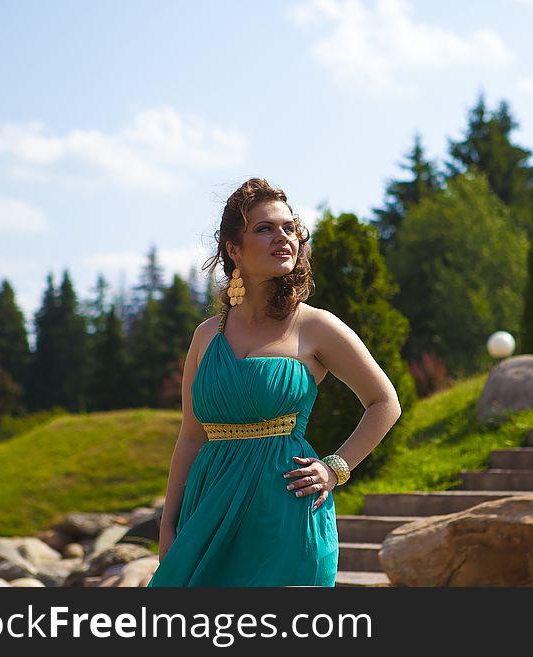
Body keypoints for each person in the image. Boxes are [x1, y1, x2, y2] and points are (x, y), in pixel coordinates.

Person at [146, 177, 402, 587]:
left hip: (286, 512)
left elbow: (384, 401)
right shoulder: (206, 335)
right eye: (264, 229)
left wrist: (336, 468)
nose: (283, 238)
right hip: (207, 510)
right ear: (233, 249)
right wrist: (168, 524)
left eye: (289, 228)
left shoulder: (316, 325)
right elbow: (191, 438)